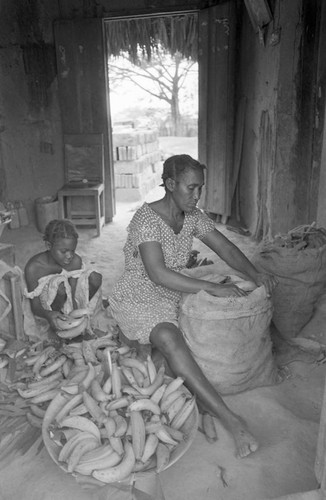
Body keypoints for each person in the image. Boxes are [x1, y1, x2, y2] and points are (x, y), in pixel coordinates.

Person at [109, 154, 278, 459]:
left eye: (200, 188)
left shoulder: (194, 217)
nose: (197, 195)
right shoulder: (145, 220)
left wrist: (255, 274)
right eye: (191, 188)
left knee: (221, 312)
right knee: (170, 339)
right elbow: (157, 273)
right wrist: (214, 287)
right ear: (170, 184)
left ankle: (198, 399)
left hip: (173, 291)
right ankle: (232, 420)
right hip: (139, 296)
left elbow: (224, 247)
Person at [24, 219, 102, 335]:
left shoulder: (75, 261)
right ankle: (55, 323)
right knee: (60, 286)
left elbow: (73, 294)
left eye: (73, 250)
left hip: (67, 302)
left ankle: (69, 323)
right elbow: (35, 306)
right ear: (49, 245)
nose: (69, 256)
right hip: (47, 307)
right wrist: (48, 314)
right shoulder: (34, 268)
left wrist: (76, 318)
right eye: (64, 251)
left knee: (95, 278)